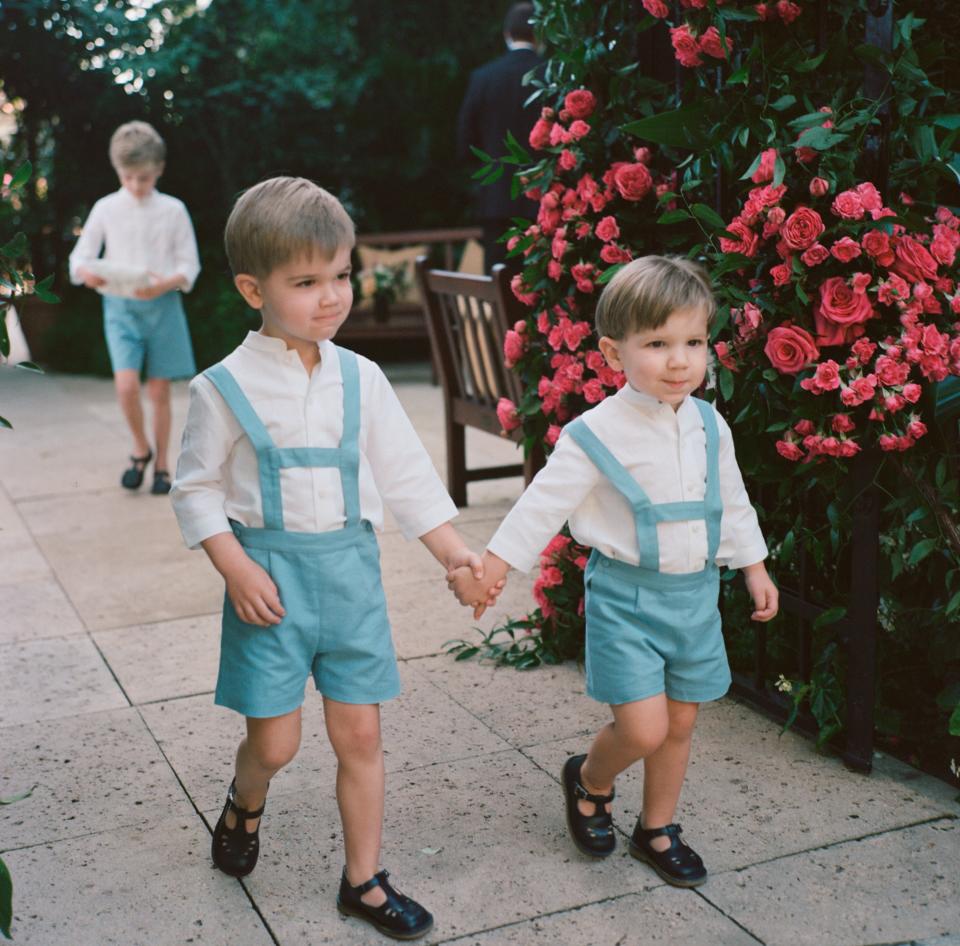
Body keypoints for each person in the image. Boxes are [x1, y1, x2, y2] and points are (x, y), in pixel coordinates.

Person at [170, 177, 498, 941]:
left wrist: (455, 557)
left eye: (342, 276)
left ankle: (365, 881)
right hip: (269, 588)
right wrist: (234, 566)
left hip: (351, 582)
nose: (331, 297)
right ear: (254, 288)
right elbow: (194, 491)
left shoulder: (362, 379)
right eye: (306, 282)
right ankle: (245, 799)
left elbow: (409, 478)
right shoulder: (222, 388)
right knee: (276, 743)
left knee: (361, 737)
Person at [448, 255, 779, 887]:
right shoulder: (593, 434)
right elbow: (540, 504)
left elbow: (730, 501)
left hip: (695, 597)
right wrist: (489, 568)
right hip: (626, 600)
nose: (679, 360)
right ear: (612, 351)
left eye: (693, 342)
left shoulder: (711, 424)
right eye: (657, 344)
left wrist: (754, 565)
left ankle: (657, 828)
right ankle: (591, 780)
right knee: (643, 725)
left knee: (680, 722)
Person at [69, 120, 200, 495]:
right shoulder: (106, 208)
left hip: (163, 306)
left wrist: (163, 283)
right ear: (118, 171)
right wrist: (86, 274)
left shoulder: (174, 210)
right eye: (128, 177)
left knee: (158, 392)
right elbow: (80, 258)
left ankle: (161, 464)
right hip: (120, 308)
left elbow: (189, 265)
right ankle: (139, 448)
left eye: (143, 177)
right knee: (126, 385)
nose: (135, 185)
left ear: (159, 169)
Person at [456, 2, 543, 272]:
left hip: (496, 201)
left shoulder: (483, 78)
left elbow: (465, 143)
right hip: (545, 201)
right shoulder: (551, 73)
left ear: (507, 34)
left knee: (501, 286)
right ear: (539, 34)